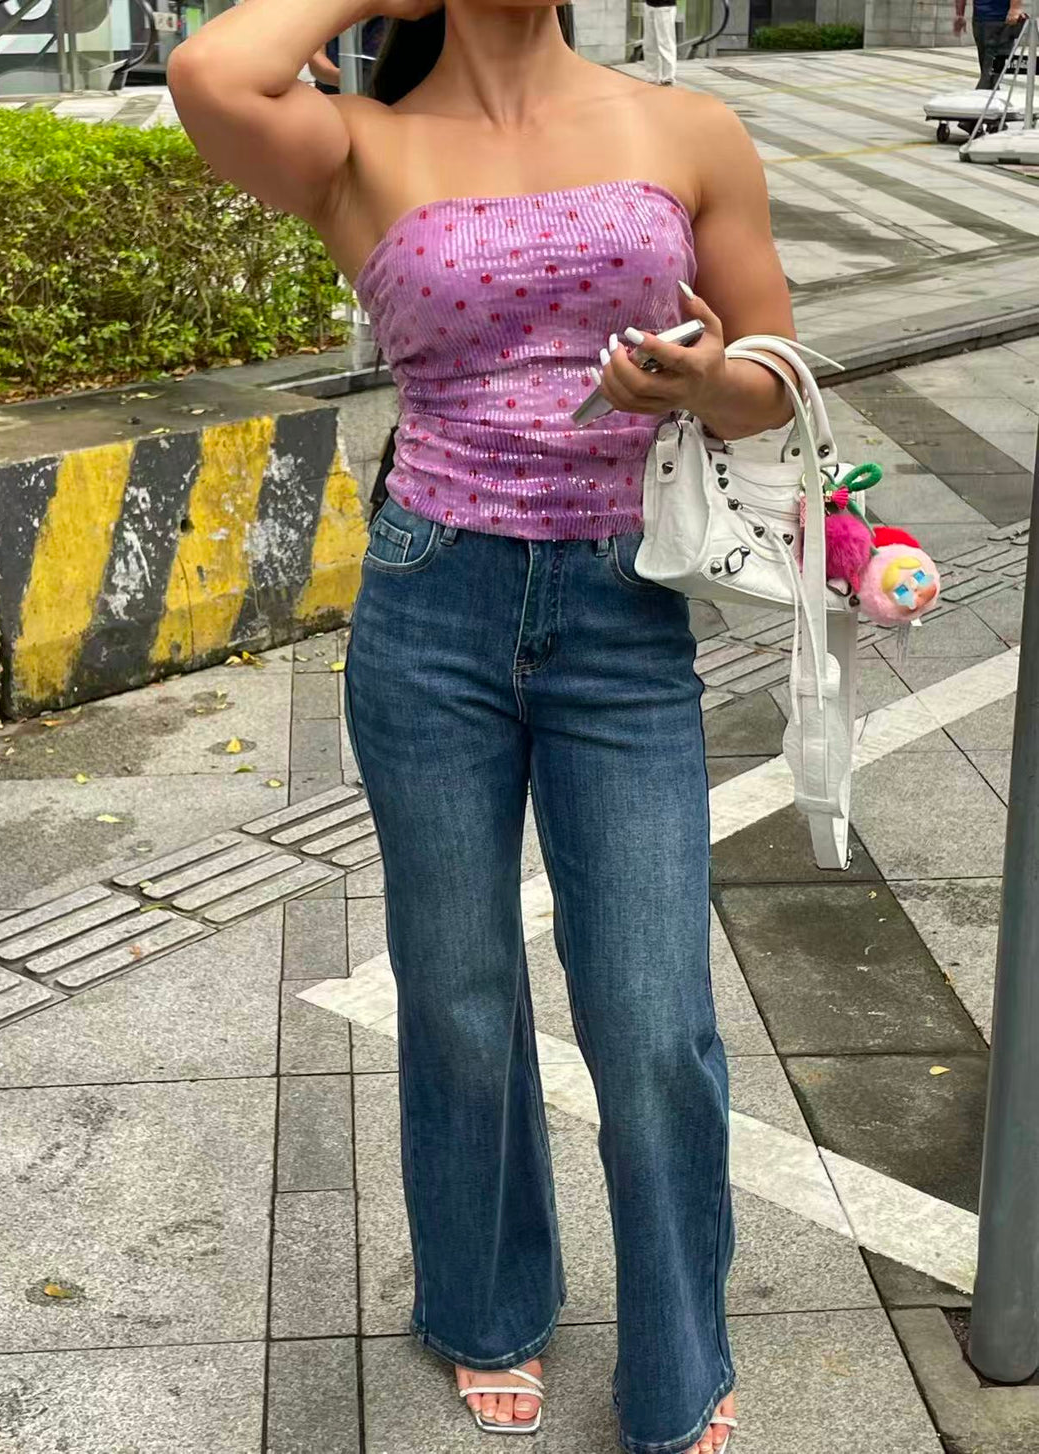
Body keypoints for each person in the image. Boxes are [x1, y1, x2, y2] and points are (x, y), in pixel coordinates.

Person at [168, 3, 797, 1449]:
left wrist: (706, 380)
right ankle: (486, 1300)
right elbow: (210, 69)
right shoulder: (356, 142)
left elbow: (773, 371)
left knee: (651, 1016)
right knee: (455, 994)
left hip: (621, 613)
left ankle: (678, 1357)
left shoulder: (684, 126)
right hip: (429, 603)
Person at [955, 0, 1026, 90]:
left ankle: (987, 93)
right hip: (992, 21)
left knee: (990, 72)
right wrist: (1015, 8)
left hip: (990, 21)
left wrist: (960, 14)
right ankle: (986, 94)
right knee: (990, 73)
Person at [642, 0, 678, 86]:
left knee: (666, 42)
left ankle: (668, 77)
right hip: (649, 5)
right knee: (649, 43)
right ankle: (652, 76)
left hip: (665, 6)